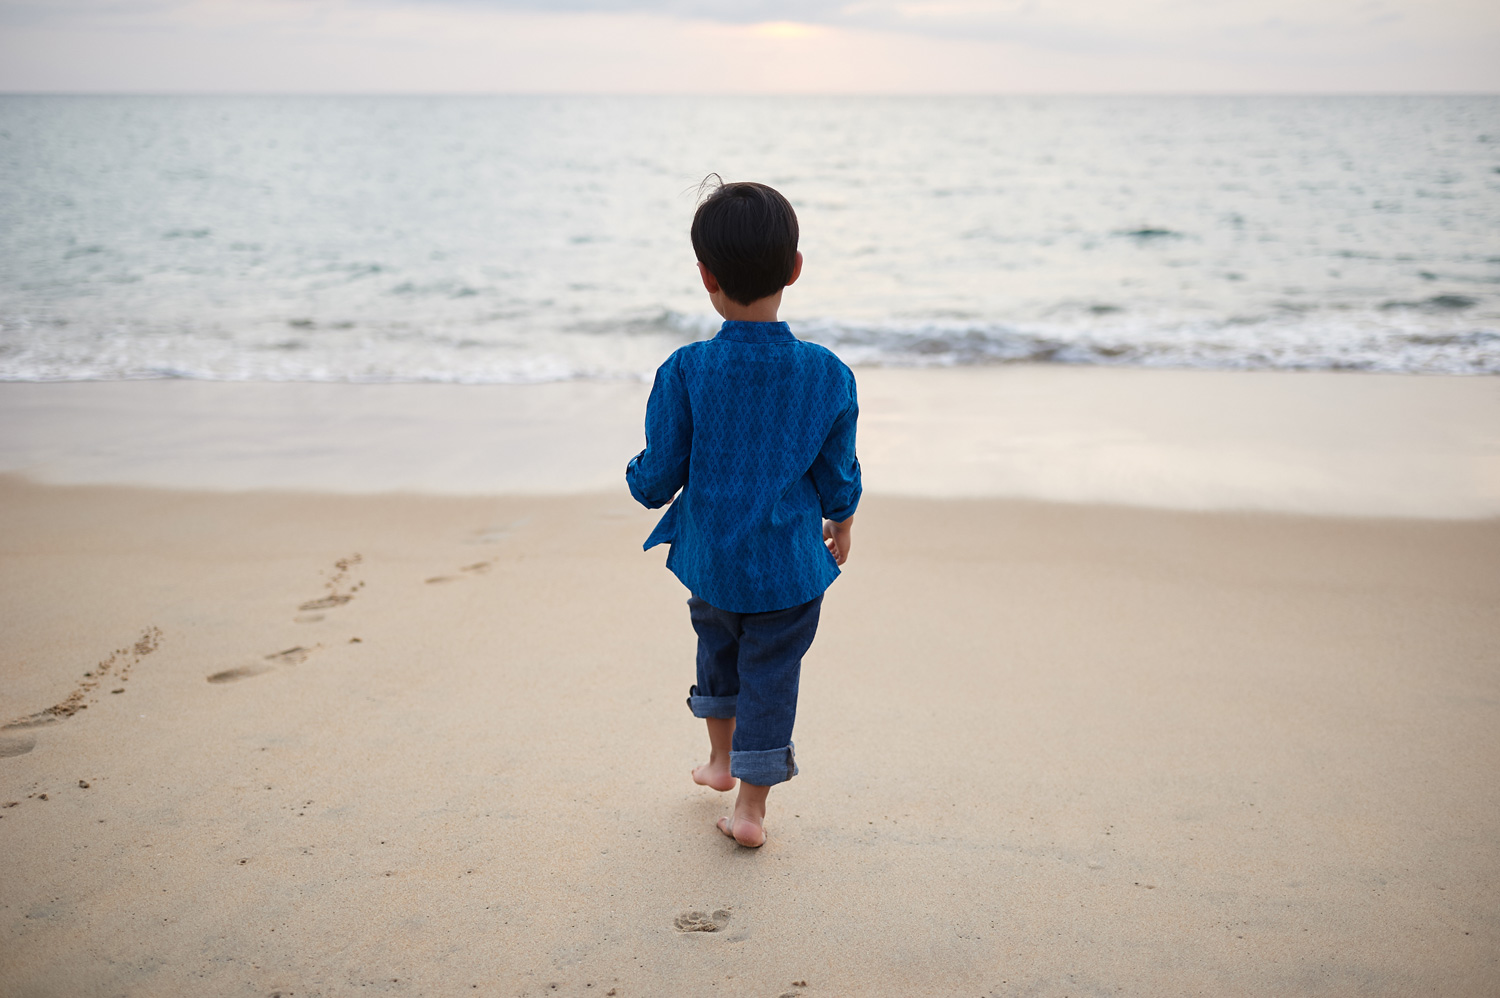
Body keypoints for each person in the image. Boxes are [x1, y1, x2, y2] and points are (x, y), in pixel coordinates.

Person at [625, 178, 861, 848]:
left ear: (706, 278)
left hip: (712, 558)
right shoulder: (826, 373)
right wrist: (842, 519)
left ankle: (722, 762)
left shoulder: (686, 369)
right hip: (789, 565)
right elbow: (836, 470)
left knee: (718, 650)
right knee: (772, 673)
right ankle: (750, 807)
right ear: (794, 269)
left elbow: (658, 475)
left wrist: (638, 481)